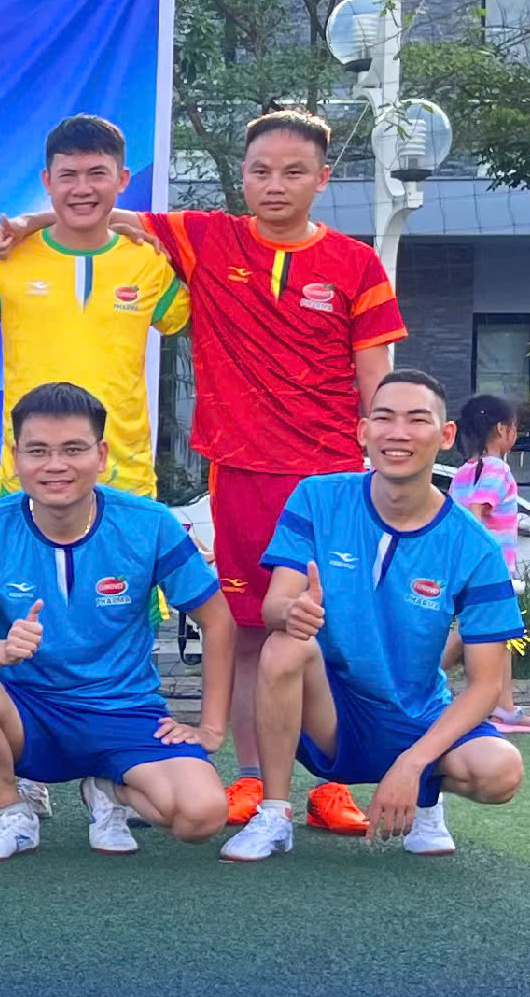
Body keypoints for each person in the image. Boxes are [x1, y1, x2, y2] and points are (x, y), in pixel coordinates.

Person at [0, 109, 407, 831]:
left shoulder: (355, 263)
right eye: (260, 171)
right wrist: (28, 223)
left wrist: (385, 457)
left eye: (293, 172)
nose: (274, 184)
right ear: (241, 176)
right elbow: (100, 213)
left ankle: (332, 782)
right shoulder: (207, 238)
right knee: (249, 629)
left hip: (330, 477)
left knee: (332, 631)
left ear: (322, 178)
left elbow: (376, 375)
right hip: (240, 470)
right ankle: (249, 776)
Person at [223, 369, 525, 861]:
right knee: (284, 645)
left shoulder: (476, 546)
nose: (398, 433)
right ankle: (274, 814)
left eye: (417, 420)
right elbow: (274, 606)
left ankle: (427, 797)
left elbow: (487, 686)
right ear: (364, 431)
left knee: (501, 770)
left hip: (417, 715)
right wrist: (292, 612)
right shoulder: (317, 499)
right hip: (332, 711)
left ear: (446, 435)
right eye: (384, 418)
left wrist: (413, 763)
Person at [0, 382, 237, 861]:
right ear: (15, 457)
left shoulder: (149, 522)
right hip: (28, 713)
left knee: (201, 817)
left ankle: (108, 787)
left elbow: (218, 621)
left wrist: (211, 727)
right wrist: (1, 651)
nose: (55, 465)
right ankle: (12, 812)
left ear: (102, 455)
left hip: (124, 711)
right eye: (38, 451)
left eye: (73, 449)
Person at [0, 116, 186, 498]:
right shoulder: (9, 259)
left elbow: (204, 328)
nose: (82, 188)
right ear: (47, 181)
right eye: (68, 175)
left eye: (97, 173)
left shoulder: (148, 262)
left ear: (122, 179)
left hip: (124, 484)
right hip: (29, 481)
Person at [448, 394, 522, 728]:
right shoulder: (498, 469)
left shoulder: (463, 472)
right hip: (489, 569)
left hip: (469, 566)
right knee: (471, 631)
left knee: (499, 632)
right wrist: (479, 559)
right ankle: (421, 679)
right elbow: (478, 511)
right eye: (515, 427)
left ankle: (505, 707)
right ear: (503, 429)